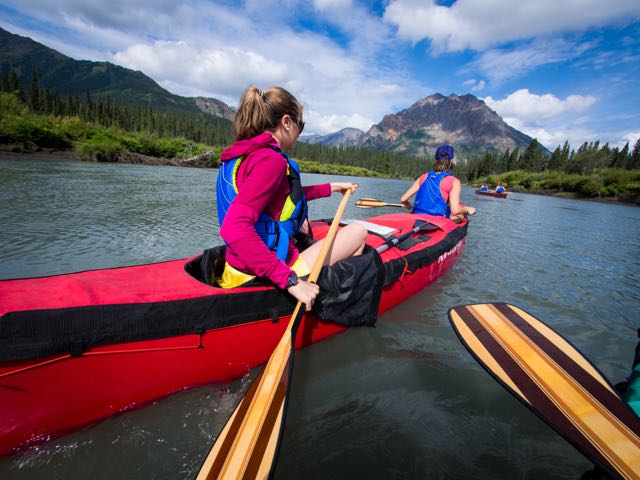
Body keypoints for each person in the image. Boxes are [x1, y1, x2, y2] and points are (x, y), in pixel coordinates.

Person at [217, 85, 367, 311]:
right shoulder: (272, 161)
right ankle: (330, 301)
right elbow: (233, 227)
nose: (300, 132)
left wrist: (332, 187)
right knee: (359, 233)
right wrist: (291, 281)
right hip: (266, 271)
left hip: (236, 266)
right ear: (286, 122)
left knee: (304, 229)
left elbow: (284, 196)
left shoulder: (245, 155)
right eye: (301, 125)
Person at [400, 144, 476, 222]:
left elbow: (403, 199)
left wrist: (409, 206)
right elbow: (455, 210)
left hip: (416, 216)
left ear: (436, 160)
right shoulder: (454, 181)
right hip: (435, 221)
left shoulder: (424, 176)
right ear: (451, 161)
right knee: (461, 215)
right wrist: (468, 209)